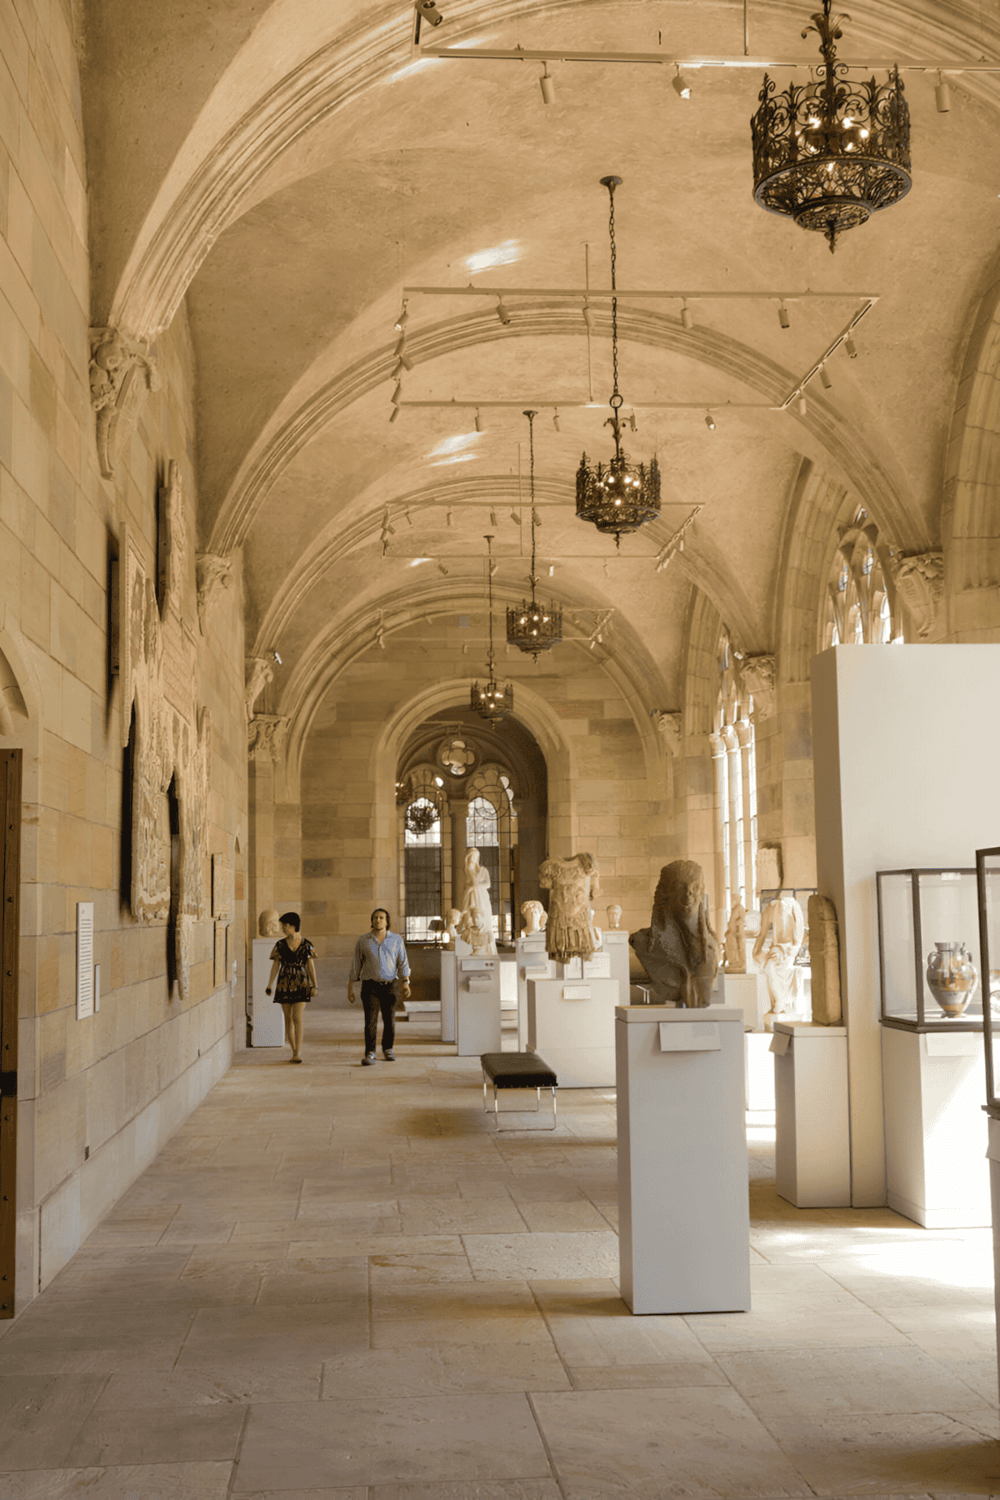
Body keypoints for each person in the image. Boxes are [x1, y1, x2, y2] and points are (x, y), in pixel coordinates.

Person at [348, 908, 411, 1065]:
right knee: (370, 1021)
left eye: (381, 917)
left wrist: (405, 982)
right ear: (372, 920)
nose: (378, 920)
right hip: (370, 987)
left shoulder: (396, 940)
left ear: (387, 921)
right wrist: (350, 986)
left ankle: (388, 1049)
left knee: (390, 1020)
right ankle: (370, 1053)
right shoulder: (363, 941)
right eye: (375, 917)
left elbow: (403, 962)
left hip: (391, 985)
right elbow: (356, 965)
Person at [264, 911, 317, 1062]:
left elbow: (311, 966)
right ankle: (294, 1051)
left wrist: (315, 985)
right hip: (284, 982)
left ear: (291, 926)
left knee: (297, 1017)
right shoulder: (280, 945)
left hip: (301, 982)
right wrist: (269, 984)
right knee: (287, 1018)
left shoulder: (307, 944)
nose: (282, 928)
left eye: (284, 925)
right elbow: (275, 966)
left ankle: (297, 1052)